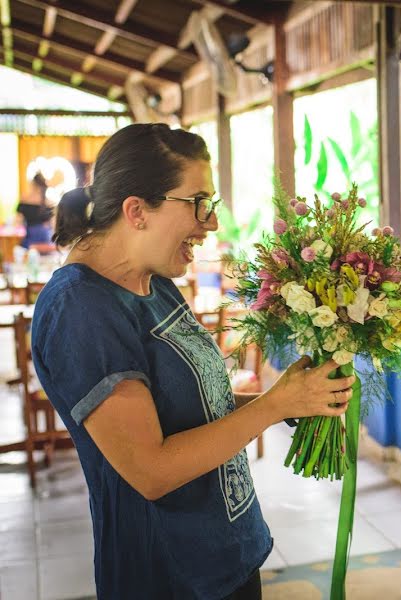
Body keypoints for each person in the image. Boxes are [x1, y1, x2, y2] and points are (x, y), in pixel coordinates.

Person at [31, 123, 355, 600]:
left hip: (226, 555)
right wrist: (272, 407)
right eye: (199, 203)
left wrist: (292, 401)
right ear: (137, 210)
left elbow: (196, 406)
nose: (212, 224)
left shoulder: (153, 279)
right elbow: (153, 470)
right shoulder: (81, 309)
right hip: (169, 576)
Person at [16, 172, 54, 248]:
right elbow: (51, 224)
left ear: (33, 185)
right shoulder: (48, 202)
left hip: (31, 237)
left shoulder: (25, 199)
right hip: (45, 238)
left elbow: (18, 221)